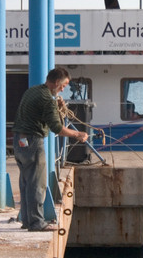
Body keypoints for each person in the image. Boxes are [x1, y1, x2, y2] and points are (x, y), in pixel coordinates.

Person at [13, 67, 88, 232]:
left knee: (26, 182)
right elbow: (57, 128)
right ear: (55, 82)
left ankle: (27, 220)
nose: (63, 89)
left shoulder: (32, 91)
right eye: (63, 85)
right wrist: (78, 134)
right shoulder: (47, 99)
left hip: (19, 140)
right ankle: (36, 223)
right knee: (37, 183)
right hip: (33, 141)